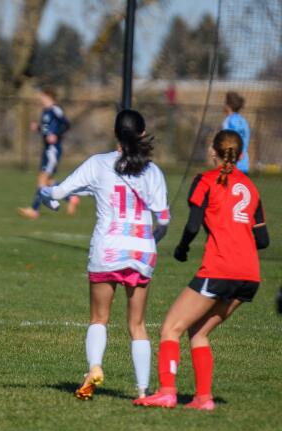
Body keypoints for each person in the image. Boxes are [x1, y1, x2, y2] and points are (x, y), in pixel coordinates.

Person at [39, 110, 170, 400]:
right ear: (142, 133)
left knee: (99, 318)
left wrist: (46, 195)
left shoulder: (98, 163)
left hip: (107, 250)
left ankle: (95, 367)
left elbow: (58, 192)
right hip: (141, 252)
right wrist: (151, 241)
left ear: (115, 133)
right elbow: (163, 220)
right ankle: (143, 391)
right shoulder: (152, 171)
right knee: (137, 325)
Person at [134, 130, 269, 410]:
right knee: (198, 332)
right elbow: (263, 240)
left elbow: (193, 224)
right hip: (249, 276)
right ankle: (204, 399)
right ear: (241, 155)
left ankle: (167, 391)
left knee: (171, 328)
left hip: (220, 269)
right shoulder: (251, 187)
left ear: (212, 151)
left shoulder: (205, 180)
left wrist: (182, 248)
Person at [18, 87, 76, 219]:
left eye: (43, 97)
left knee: (42, 180)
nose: (41, 99)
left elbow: (66, 124)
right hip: (47, 149)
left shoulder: (55, 109)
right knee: (48, 181)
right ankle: (70, 197)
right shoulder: (45, 111)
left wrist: (56, 135)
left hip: (53, 150)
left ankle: (34, 210)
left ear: (49, 97)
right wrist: (38, 128)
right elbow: (47, 129)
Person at [222, 91, 250, 173]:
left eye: (224, 103)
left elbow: (226, 140)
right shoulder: (244, 121)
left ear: (228, 106)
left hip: (232, 165)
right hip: (244, 164)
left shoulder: (228, 121)